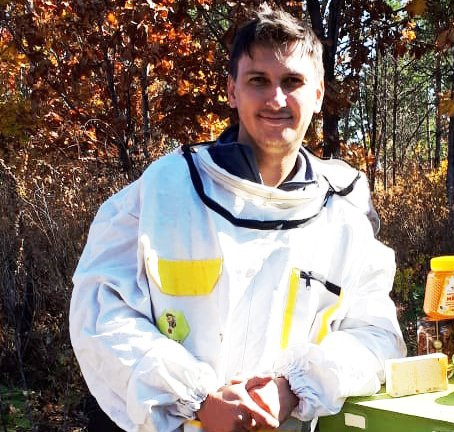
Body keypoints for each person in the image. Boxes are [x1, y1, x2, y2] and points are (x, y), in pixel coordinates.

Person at [69, 5, 406, 432]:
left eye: (293, 81)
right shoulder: (164, 191)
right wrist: (197, 400)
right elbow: (100, 313)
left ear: (319, 94)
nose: (276, 99)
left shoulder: (344, 213)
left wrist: (291, 388)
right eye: (258, 80)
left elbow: (375, 335)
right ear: (232, 90)